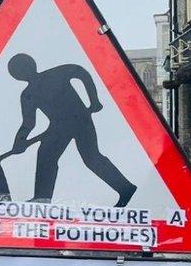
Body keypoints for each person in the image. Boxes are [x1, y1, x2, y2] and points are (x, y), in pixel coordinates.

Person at [9, 53, 137, 207]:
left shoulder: (56, 74)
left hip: (80, 120)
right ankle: (42, 198)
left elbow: (81, 73)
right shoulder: (28, 94)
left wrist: (94, 100)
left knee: (91, 157)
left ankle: (126, 188)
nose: (21, 73)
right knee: (45, 156)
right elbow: (29, 123)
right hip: (58, 127)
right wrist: (19, 142)